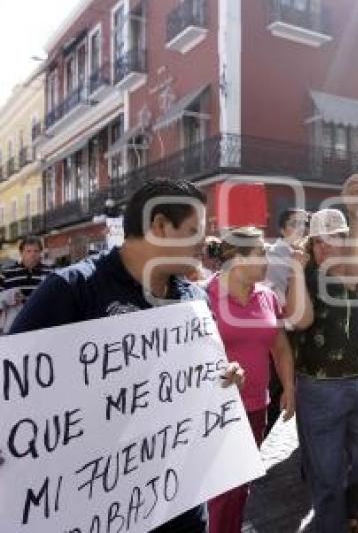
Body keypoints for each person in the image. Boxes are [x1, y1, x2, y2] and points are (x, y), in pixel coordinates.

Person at [9, 178, 245, 533]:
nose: (205, 242)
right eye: (195, 230)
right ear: (160, 225)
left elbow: (199, 379)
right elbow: (12, 385)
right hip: (96, 504)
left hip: (180, 501)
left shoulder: (195, 299)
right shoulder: (73, 289)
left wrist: (224, 377)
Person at [286, 199, 358, 533]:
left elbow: (356, 279)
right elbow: (299, 320)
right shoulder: (302, 272)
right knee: (326, 474)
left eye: (336, 238)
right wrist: (295, 270)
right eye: (319, 240)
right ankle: (333, 522)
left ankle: (345, 508)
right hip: (319, 388)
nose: (326, 246)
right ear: (310, 244)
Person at [206, 227, 295, 533]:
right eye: (260, 253)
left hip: (258, 407)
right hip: (216, 410)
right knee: (222, 488)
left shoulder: (268, 296)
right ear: (236, 259)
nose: (267, 259)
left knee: (241, 480)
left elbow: (280, 346)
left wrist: (290, 388)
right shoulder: (205, 296)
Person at [264, 208, 307, 435]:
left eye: (304, 223)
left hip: (299, 331)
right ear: (282, 229)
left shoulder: (303, 252)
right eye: (294, 223)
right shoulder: (275, 255)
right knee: (276, 390)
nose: (301, 228)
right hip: (283, 331)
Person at [0, 236, 52, 333]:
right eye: (28, 251)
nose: (32, 254)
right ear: (21, 253)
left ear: (41, 252)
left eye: (36, 251)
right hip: (15, 326)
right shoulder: (7, 273)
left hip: (42, 325)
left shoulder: (51, 273)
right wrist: (9, 296)